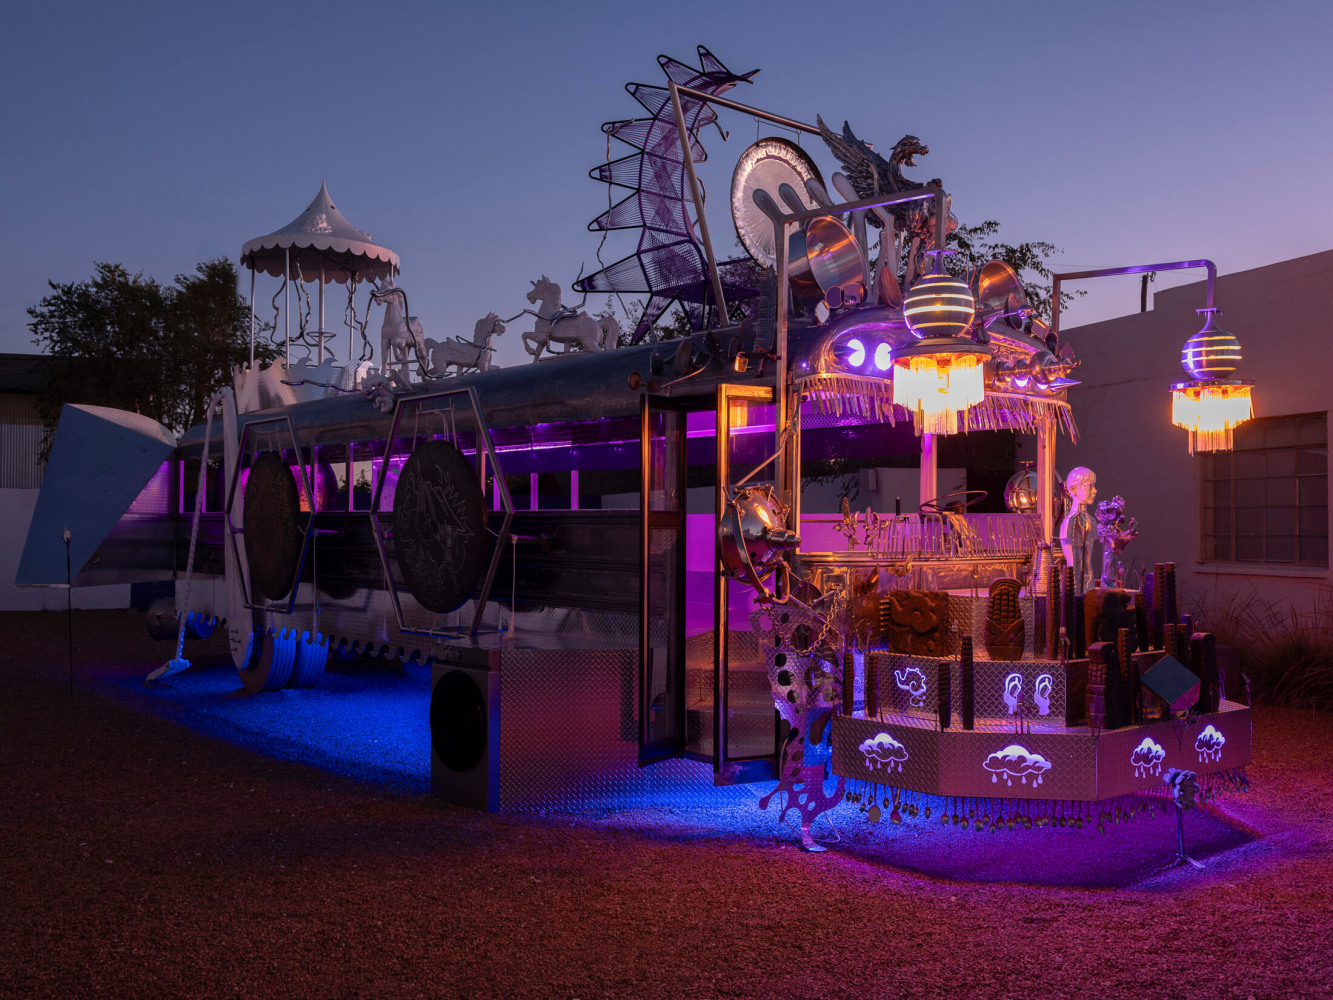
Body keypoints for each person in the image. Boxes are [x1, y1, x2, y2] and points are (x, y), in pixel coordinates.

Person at [1059, 467, 1097, 592]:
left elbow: (1088, 558)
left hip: (1088, 586)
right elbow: (1073, 560)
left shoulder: (1091, 520)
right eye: (1089, 486)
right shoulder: (1070, 522)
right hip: (1074, 587)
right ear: (1073, 490)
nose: (1095, 491)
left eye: (1094, 486)